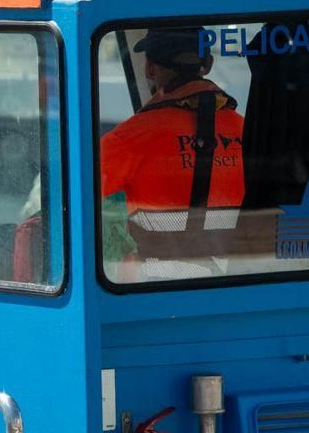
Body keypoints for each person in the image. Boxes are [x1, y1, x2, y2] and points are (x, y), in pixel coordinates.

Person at [99, 27, 246, 281]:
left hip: (155, 289)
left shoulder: (129, 138)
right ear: (208, 64)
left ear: (150, 68)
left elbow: (74, 199)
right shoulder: (247, 131)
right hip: (236, 285)